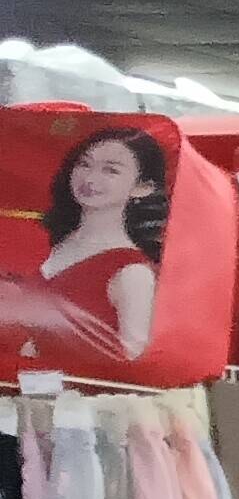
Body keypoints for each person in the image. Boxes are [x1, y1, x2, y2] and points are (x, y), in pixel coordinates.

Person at [37, 127, 167, 362]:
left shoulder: (132, 272)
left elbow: (131, 358)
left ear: (143, 187)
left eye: (111, 170)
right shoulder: (53, 242)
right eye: (84, 164)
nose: (89, 179)